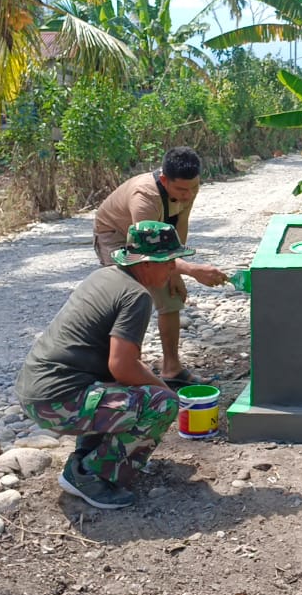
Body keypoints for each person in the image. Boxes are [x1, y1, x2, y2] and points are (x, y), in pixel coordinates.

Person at [14, 221, 191, 509]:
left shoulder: (106, 276)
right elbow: (122, 366)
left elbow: (118, 366)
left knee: (130, 389)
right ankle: (90, 476)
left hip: (36, 390)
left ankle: (88, 454)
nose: (173, 268)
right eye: (168, 261)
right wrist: (166, 392)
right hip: (55, 400)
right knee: (161, 404)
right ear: (146, 263)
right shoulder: (136, 296)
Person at [93, 147, 227, 387]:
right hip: (117, 235)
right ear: (164, 180)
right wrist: (192, 270)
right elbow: (147, 254)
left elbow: (179, 226)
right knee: (130, 298)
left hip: (156, 241)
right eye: (181, 190)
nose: (188, 195)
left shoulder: (187, 187)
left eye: (193, 187)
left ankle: (171, 369)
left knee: (171, 297)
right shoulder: (145, 198)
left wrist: (176, 273)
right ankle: (124, 369)